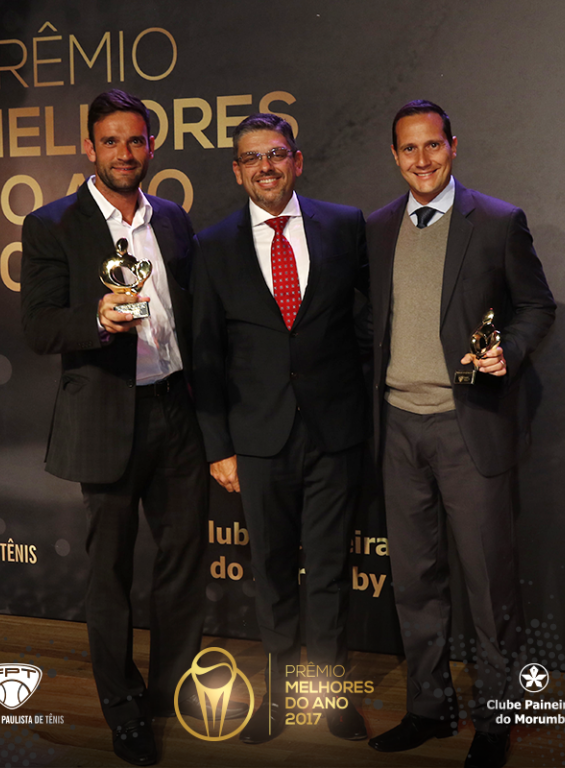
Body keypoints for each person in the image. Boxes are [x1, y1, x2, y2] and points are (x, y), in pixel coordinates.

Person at [21, 90, 243, 767]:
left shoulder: (172, 218)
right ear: (89, 147)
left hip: (177, 410)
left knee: (183, 562)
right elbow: (39, 327)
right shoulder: (52, 224)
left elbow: (194, 317)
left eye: (136, 140)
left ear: (152, 146)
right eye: (111, 141)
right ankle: (122, 708)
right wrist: (97, 317)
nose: (125, 153)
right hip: (107, 416)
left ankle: (170, 689)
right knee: (110, 574)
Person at [366, 100, 555, 768]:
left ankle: (497, 719)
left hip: (468, 426)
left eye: (433, 146)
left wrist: (510, 348)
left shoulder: (498, 221)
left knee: (489, 585)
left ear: (453, 146)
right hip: (397, 428)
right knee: (415, 583)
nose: (422, 160)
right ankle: (428, 708)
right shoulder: (376, 227)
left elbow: (536, 306)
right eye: (408, 149)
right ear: (394, 156)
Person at [192, 113, 369, 744]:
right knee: (270, 572)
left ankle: (328, 693)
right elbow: (205, 353)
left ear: (297, 161)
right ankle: (279, 694)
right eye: (251, 158)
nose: (265, 166)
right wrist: (218, 446)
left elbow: (369, 325)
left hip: (334, 433)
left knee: (328, 570)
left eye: (276, 153)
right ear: (236, 171)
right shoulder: (212, 245)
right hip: (257, 439)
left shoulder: (345, 226)